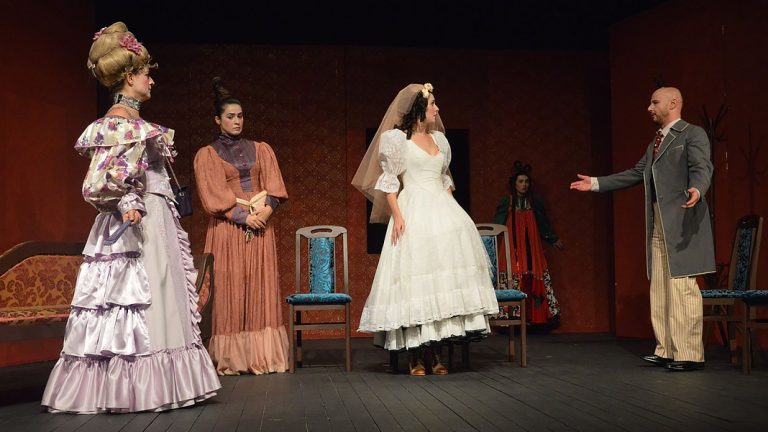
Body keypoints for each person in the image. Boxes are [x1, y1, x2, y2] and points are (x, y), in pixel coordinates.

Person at [41, 22, 220, 413]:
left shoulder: (136, 125)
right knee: (137, 303)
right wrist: (127, 201)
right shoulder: (120, 125)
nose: (151, 80)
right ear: (129, 77)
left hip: (155, 219)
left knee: (158, 300)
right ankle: (133, 388)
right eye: (145, 73)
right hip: (139, 226)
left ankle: (160, 385)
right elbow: (99, 181)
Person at [352, 83, 498, 376]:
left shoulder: (440, 140)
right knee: (416, 281)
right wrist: (398, 215)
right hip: (414, 209)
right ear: (419, 108)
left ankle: (437, 353)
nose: (437, 109)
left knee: (440, 282)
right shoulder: (397, 140)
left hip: (442, 211)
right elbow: (390, 183)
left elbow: (444, 180)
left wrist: (456, 216)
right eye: (432, 104)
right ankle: (415, 356)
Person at [570, 86, 714, 372]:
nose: (649, 108)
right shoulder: (656, 142)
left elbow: (702, 167)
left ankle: (689, 353)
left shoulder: (691, 134)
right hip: (659, 222)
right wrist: (596, 183)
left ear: (673, 103)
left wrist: (697, 189)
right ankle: (666, 349)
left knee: (682, 288)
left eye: (654, 102)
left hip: (682, 222)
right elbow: (637, 173)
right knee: (660, 286)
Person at [193, 77, 290, 375]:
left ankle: (262, 356)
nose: (237, 121)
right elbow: (213, 196)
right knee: (231, 289)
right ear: (217, 120)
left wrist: (265, 212)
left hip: (260, 226)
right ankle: (232, 358)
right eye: (230, 117)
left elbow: (275, 187)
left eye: (240, 116)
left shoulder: (261, 149)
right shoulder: (208, 154)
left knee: (260, 286)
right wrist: (244, 217)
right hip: (229, 229)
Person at [492, 161, 562, 325]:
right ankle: (512, 317)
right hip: (514, 246)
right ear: (514, 184)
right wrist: (486, 239)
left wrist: (552, 238)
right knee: (515, 274)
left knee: (533, 273)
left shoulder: (534, 201)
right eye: (521, 181)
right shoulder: (508, 201)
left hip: (531, 246)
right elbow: (497, 223)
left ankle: (536, 316)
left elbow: (542, 223)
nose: (524, 185)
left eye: (526, 182)